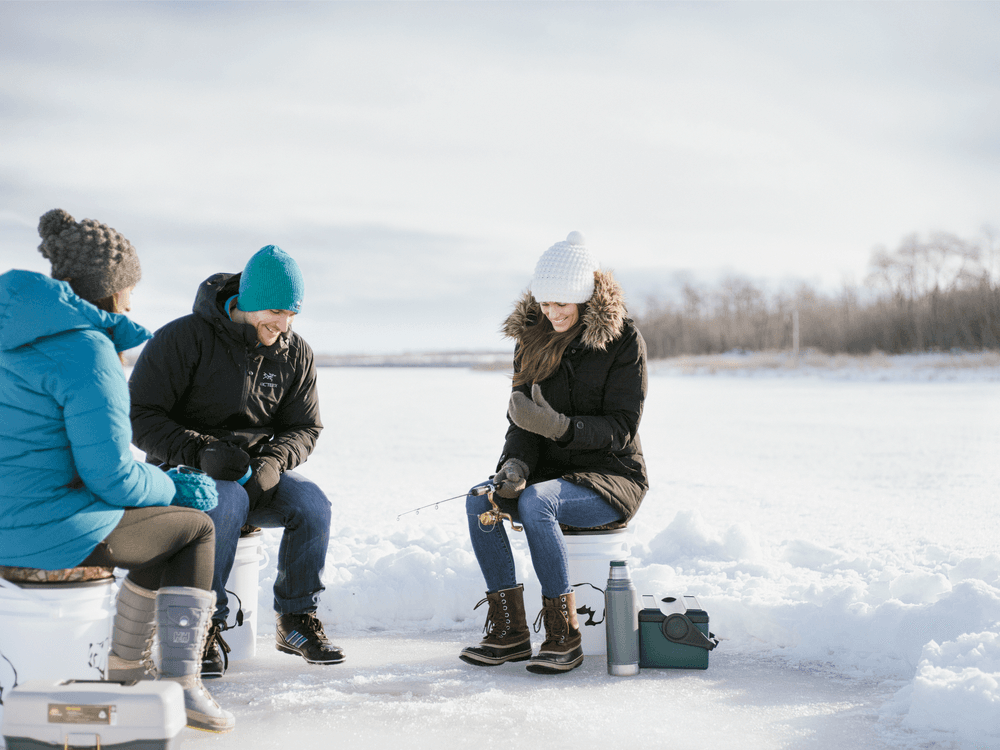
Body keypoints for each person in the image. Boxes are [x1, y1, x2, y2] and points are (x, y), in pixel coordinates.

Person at [0, 209, 234, 733]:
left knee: (152, 519)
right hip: (47, 533)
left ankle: (126, 669)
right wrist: (177, 483)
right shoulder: (86, 349)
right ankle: (181, 685)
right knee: (192, 526)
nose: (133, 299)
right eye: (131, 287)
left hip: (10, 520)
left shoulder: (9, 337)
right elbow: (113, 478)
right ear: (111, 289)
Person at [128, 244, 340, 678]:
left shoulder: (295, 353)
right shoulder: (183, 338)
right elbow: (140, 415)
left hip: (255, 472)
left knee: (313, 504)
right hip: (186, 472)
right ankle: (204, 623)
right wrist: (200, 450)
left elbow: (306, 427)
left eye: (292, 315)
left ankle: (296, 619)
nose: (283, 325)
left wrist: (274, 462)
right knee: (223, 499)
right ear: (248, 301)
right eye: (276, 312)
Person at [460, 231, 649, 674]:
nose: (553, 312)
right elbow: (522, 423)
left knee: (536, 500)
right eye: (545, 303)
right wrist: (516, 463)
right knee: (479, 500)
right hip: (547, 475)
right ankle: (510, 632)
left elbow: (622, 430)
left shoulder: (623, 341)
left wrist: (563, 429)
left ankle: (564, 635)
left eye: (562, 302)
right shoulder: (531, 339)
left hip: (612, 476)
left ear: (584, 296)